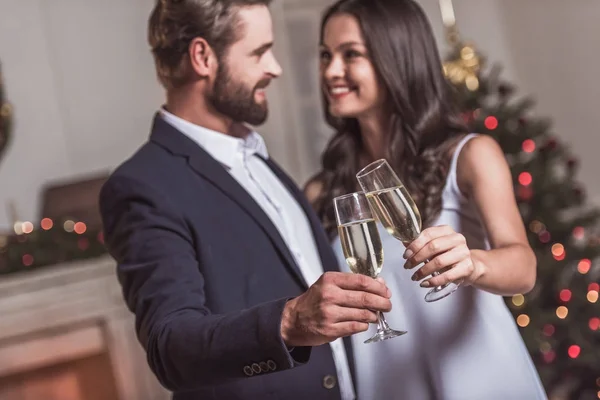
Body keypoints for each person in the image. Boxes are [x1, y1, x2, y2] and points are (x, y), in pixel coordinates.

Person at [99, 0, 394, 399]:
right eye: (258, 52)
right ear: (203, 56)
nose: (275, 67)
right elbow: (170, 346)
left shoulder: (258, 156)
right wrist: (288, 323)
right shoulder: (143, 186)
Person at [305, 0, 547, 399]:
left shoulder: (468, 155)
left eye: (351, 55)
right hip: (386, 386)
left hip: (483, 380)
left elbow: (523, 267)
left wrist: (474, 263)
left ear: (396, 56)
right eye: (325, 55)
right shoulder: (321, 191)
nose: (331, 71)